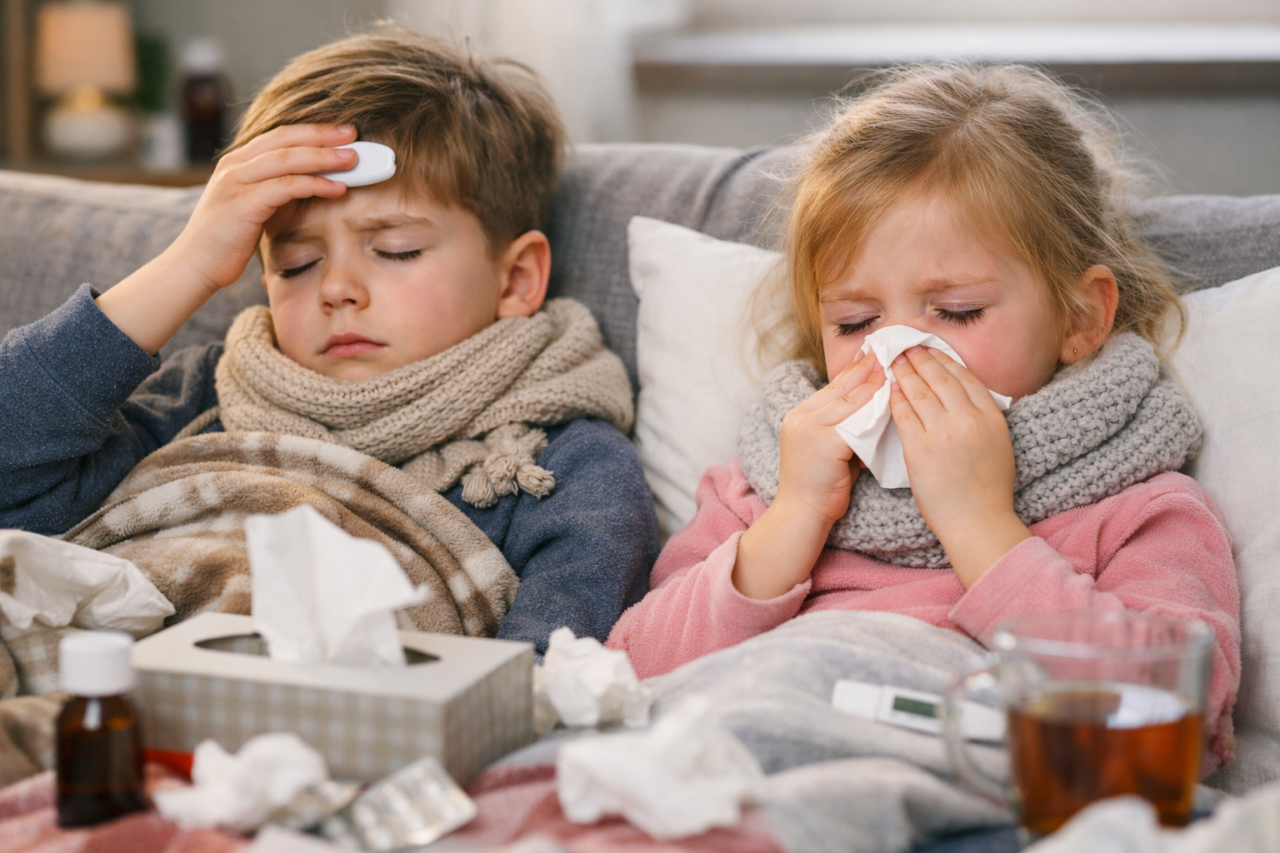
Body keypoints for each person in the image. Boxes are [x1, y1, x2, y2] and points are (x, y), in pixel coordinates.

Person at [606, 64, 1240, 773]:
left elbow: (1178, 728)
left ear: (1080, 317)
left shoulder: (1139, 509)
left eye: (957, 312)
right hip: (727, 766)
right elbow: (622, 674)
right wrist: (791, 519)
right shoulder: (759, 490)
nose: (897, 352)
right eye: (855, 321)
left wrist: (981, 528)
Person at [0, 31, 658, 653]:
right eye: (297, 263)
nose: (337, 288)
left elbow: (540, 682)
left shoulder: (562, 466)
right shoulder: (206, 396)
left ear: (515, 279)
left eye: (395, 251)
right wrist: (189, 263)